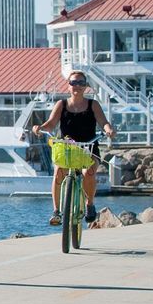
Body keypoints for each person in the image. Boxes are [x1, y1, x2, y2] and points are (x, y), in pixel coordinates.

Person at [32, 70, 115, 226]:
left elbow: (103, 122)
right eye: (73, 82)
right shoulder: (61, 104)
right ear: (68, 86)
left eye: (81, 83)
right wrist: (40, 128)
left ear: (85, 86)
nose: (77, 86)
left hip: (88, 148)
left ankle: (90, 204)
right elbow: (50, 124)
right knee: (58, 172)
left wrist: (109, 130)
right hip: (67, 149)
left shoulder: (93, 104)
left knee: (88, 172)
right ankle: (56, 211)